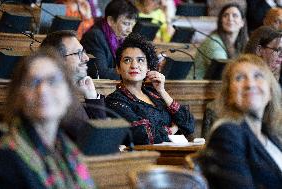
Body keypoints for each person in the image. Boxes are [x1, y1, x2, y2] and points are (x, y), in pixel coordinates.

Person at [0, 49, 95, 188]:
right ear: (19, 96)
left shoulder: (66, 148)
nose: (43, 90)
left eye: (53, 80)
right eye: (33, 82)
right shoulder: (5, 159)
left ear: (68, 94)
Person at [198, 54, 282, 188]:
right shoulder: (227, 133)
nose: (250, 84)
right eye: (239, 78)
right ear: (228, 95)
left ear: (271, 92)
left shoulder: (271, 136)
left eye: (258, 76)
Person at [105, 33, 195, 145]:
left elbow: (189, 124)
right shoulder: (115, 100)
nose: (134, 65)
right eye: (127, 60)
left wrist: (162, 91)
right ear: (118, 68)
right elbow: (144, 135)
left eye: (140, 60)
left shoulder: (154, 94)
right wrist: (173, 129)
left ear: (148, 67)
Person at [41, 30, 106, 144]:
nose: (86, 58)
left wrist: (91, 96)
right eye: (78, 53)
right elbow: (96, 141)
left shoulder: (69, 93)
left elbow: (99, 135)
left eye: (84, 52)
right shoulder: (51, 101)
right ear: (58, 59)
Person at [81, 0, 138, 79]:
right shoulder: (95, 36)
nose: (130, 30)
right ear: (110, 21)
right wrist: (134, 73)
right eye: (126, 24)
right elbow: (100, 73)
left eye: (132, 25)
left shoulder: (122, 39)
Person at [190, 3, 248, 80]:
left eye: (235, 15)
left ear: (242, 23)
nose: (230, 18)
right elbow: (225, 71)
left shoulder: (242, 42)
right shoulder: (213, 42)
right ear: (221, 21)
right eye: (225, 15)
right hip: (194, 87)